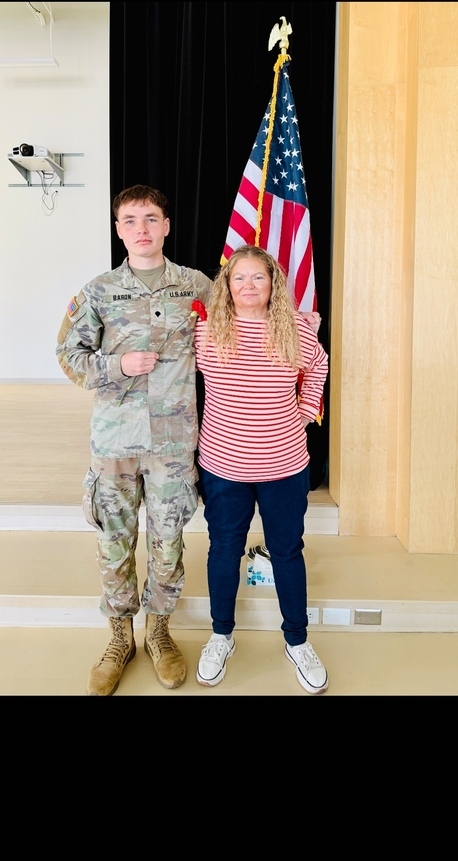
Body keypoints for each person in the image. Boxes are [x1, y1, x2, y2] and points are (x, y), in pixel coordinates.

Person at [56, 185, 212, 695]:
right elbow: (68, 354)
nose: (141, 228)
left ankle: (159, 631)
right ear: (118, 229)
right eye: (130, 220)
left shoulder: (197, 287)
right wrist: (116, 365)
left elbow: (239, 328)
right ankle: (120, 636)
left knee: (168, 544)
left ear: (167, 225)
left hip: (173, 443)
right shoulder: (98, 291)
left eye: (150, 218)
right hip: (116, 443)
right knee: (114, 544)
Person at [194, 246, 329, 694]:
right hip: (223, 464)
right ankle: (221, 635)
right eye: (239, 278)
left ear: (273, 284)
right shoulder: (206, 331)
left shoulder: (296, 332)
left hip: (284, 465)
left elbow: (318, 367)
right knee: (224, 549)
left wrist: (305, 412)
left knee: (287, 551)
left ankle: (297, 640)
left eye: (258, 278)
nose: (248, 286)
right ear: (226, 287)